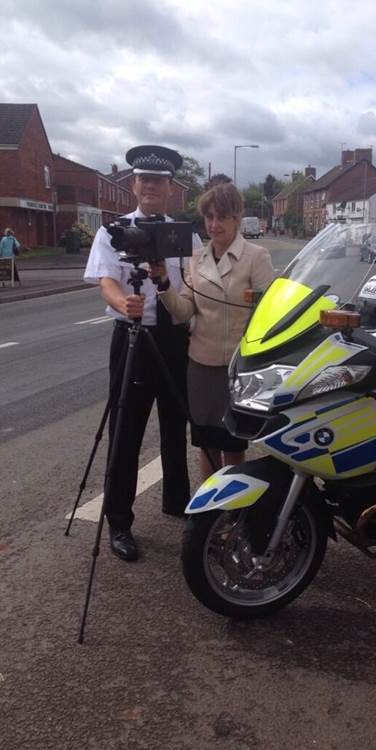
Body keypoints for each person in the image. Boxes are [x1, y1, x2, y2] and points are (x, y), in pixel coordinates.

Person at [84, 145, 203, 562]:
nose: (150, 186)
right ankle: (119, 521)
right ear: (134, 184)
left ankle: (177, 501)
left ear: (171, 188)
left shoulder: (184, 234)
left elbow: (194, 286)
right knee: (126, 430)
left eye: (159, 181)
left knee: (176, 425)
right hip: (131, 335)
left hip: (172, 337)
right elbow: (106, 281)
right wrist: (122, 303)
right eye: (143, 179)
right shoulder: (112, 230)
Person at [152, 183, 275, 481]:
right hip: (201, 365)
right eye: (209, 217)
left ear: (237, 218)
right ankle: (210, 513)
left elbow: (267, 313)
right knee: (207, 445)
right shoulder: (196, 259)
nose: (214, 225)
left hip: (238, 365)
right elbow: (184, 311)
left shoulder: (256, 257)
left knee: (233, 445)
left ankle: (232, 514)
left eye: (221, 217)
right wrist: (164, 283)